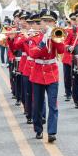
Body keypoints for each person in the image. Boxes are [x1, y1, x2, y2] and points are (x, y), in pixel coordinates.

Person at [29, 10, 64, 142]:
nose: (47, 24)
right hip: (37, 72)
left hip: (52, 73)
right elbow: (33, 54)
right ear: (41, 22)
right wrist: (43, 41)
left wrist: (55, 39)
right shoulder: (35, 37)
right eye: (45, 21)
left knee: (52, 105)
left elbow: (62, 51)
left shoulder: (56, 36)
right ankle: (38, 129)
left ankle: (52, 132)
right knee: (37, 104)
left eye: (50, 22)